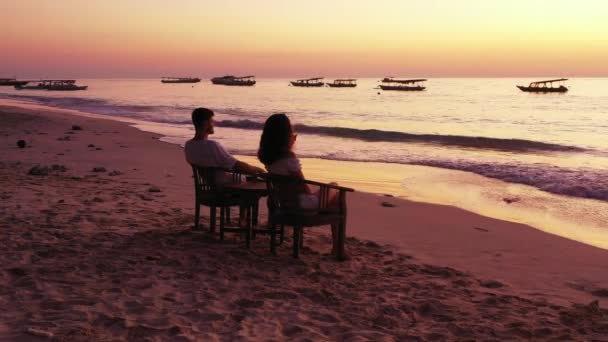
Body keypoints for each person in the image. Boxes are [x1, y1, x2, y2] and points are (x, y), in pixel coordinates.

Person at [257, 113, 342, 255]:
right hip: (301, 205)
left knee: (329, 197)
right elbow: (303, 187)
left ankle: (336, 247)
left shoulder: (267, 158)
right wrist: (291, 147)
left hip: (284, 204)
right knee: (335, 189)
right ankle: (338, 248)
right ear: (286, 136)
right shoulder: (289, 159)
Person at [185, 107, 264, 177]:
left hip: (208, 185)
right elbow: (235, 165)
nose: (214, 124)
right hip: (226, 185)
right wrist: (256, 169)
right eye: (212, 121)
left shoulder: (188, 145)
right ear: (205, 123)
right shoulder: (212, 146)